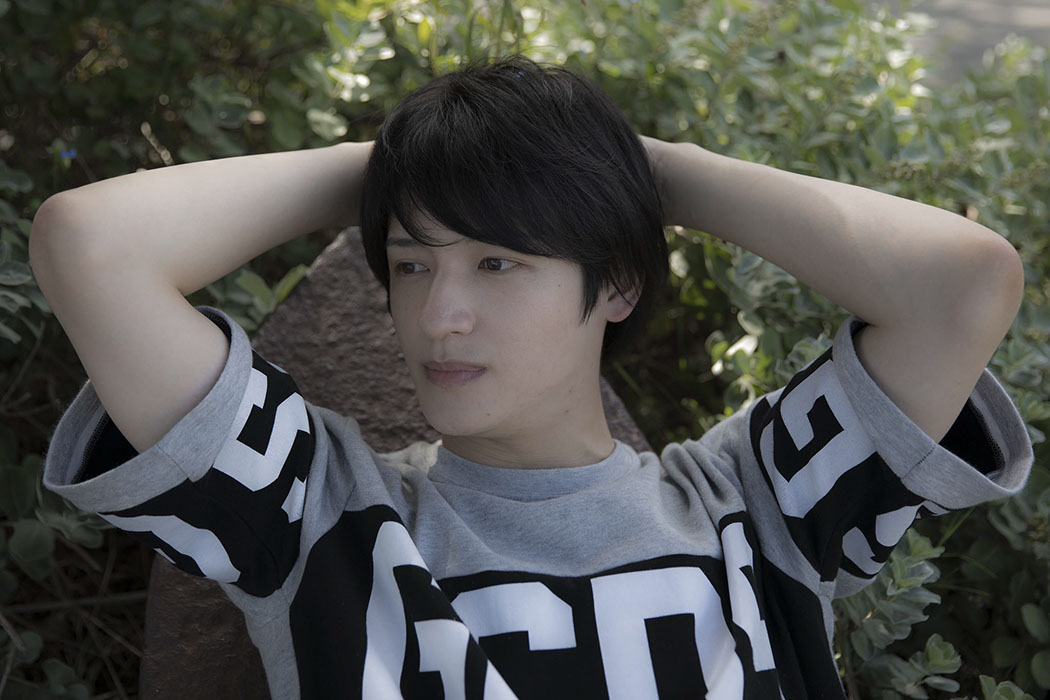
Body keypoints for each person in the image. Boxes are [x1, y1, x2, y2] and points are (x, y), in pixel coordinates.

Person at [31, 54, 1032, 699]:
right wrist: (398, 170)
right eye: (412, 263)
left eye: (499, 263)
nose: (439, 314)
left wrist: (646, 172)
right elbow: (89, 246)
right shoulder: (323, 517)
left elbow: (966, 285)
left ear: (617, 282)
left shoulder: (757, 507)